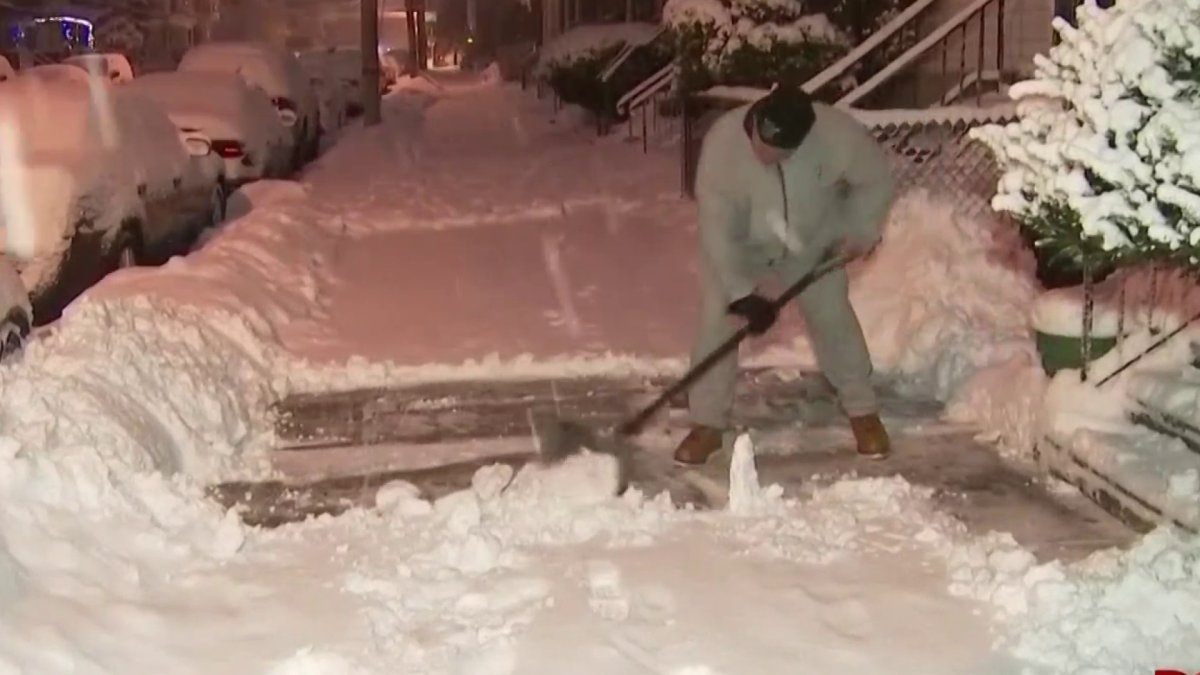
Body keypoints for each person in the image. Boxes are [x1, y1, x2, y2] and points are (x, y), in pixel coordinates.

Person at [674, 84, 896, 466]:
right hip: (744, 246)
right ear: (756, 118)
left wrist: (859, 231)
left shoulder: (836, 134)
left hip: (813, 242)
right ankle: (706, 423)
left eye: (779, 153)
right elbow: (717, 228)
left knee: (832, 315)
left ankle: (863, 409)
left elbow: (876, 180)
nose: (765, 156)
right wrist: (742, 291)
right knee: (717, 319)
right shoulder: (723, 143)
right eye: (762, 144)